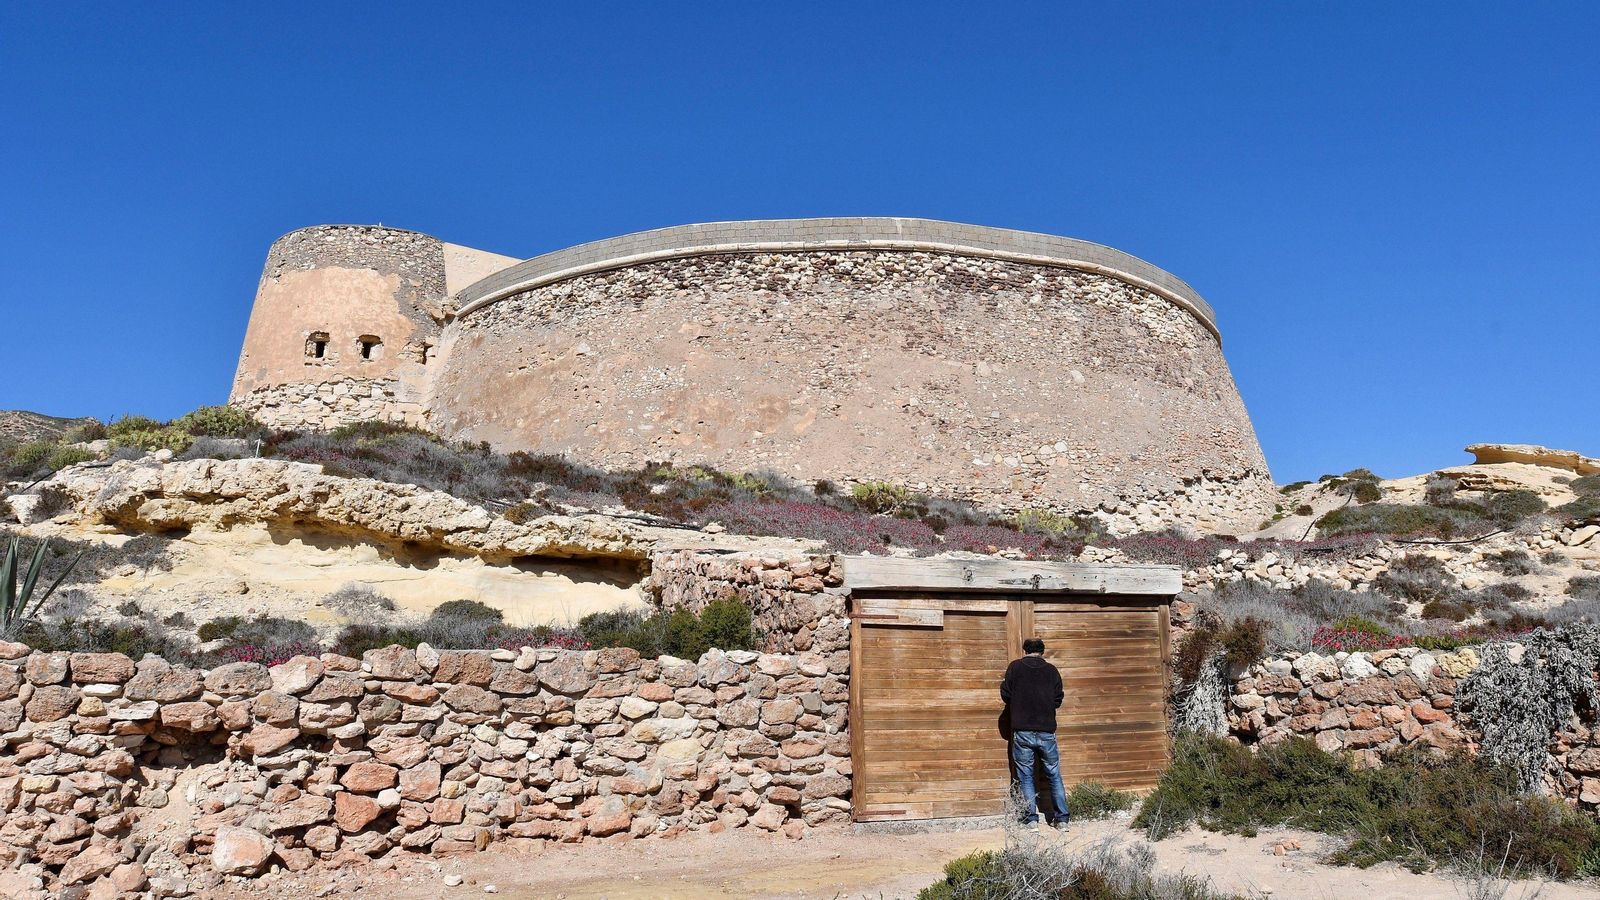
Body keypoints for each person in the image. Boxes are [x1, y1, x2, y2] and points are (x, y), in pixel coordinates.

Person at [1000, 637, 1069, 829]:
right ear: (1042, 651)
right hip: (1046, 730)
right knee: (1054, 774)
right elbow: (1058, 698)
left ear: (1025, 650)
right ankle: (1062, 819)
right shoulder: (1052, 671)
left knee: (1026, 776)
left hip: (1022, 730)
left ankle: (1031, 820)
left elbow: (1006, 694)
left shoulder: (1015, 668)